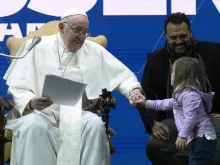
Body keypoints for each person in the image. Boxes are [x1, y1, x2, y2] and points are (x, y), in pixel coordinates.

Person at [3, 8, 145, 165]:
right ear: (62, 28)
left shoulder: (94, 50)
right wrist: (31, 101)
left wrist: (133, 90)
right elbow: (17, 86)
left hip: (80, 114)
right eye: (78, 31)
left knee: (95, 126)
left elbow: (122, 76)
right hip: (41, 113)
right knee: (33, 127)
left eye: (85, 32)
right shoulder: (36, 46)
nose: (82, 37)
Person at [140, 12, 220, 165]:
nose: (179, 41)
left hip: (210, 119)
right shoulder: (155, 60)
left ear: (190, 32)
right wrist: (152, 123)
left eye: (183, 36)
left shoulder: (214, 52)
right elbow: (147, 95)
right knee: (154, 146)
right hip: (173, 122)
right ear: (165, 35)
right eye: (173, 38)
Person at [137, 57, 217, 165]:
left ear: (181, 75)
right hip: (197, 139)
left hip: (202, 140)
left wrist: (182, 136)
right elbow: (164, 104)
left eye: (173, 72)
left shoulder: (190, 96)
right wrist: (145, 103)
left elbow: (191, 118)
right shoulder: (182, 95)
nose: (171, 75)